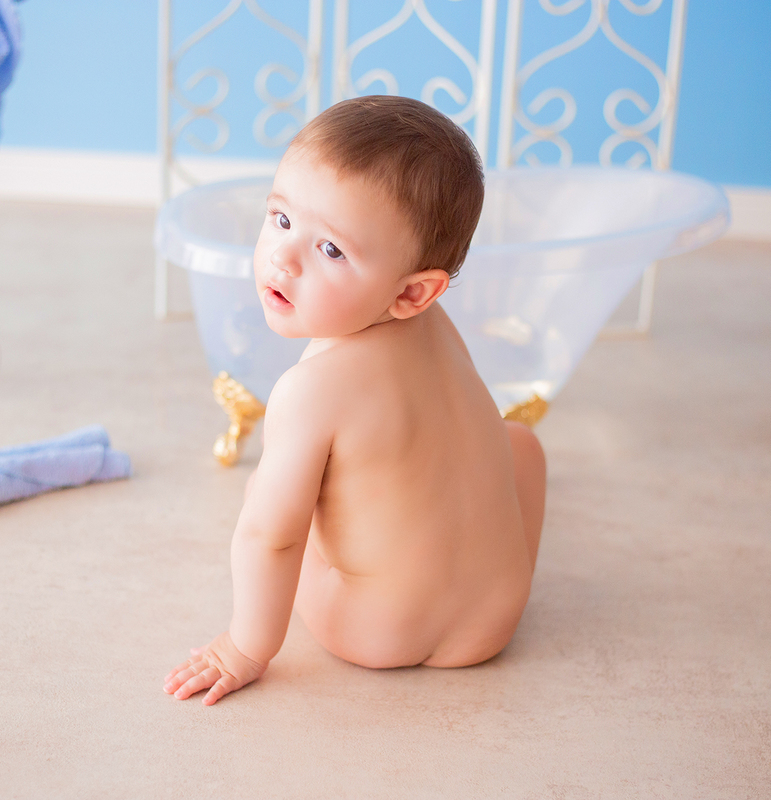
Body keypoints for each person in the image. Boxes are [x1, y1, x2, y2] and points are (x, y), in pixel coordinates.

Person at [164, 96, 546, 705]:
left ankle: (273, 633)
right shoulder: (436, 323)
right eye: (281, 219)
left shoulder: (310, 391)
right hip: (492, 622)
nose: (283, 257)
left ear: (413, 292)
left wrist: (244, 647)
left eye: (331, 250)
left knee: (269, 493)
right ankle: (484, 580)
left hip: (377, 631)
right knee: (519, 444)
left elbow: (270, 538)